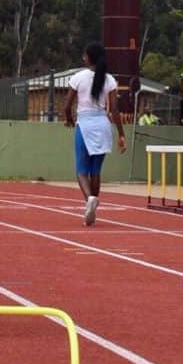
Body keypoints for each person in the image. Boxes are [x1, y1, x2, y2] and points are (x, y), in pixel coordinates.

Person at [63, 41, 126, 226]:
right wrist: (121, 134)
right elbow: (114, 110)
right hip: (103, 124)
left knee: (81, 170)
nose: (83, 58)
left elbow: (67, 105)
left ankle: (89, 199)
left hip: (85, 124)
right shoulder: (109, 80)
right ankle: (93, 204)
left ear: (89, 57)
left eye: (84, 55)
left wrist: (69, 119)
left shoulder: (78, 77)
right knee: (95, 170)